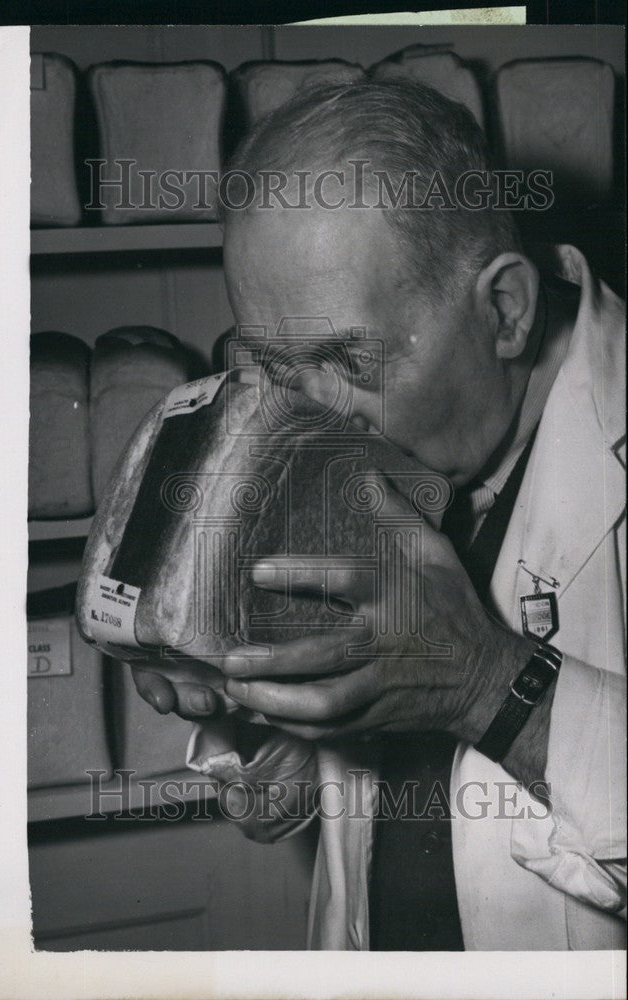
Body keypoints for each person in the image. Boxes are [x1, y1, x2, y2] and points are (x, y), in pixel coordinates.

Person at [131, 79, 626, 950]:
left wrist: (486, 688)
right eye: (277, 369)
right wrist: (280, 724)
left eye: (344, 360)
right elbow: (343, 800)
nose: (309, 418)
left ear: (503, 310)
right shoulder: (372, 450)